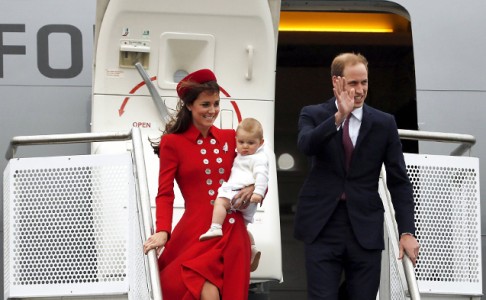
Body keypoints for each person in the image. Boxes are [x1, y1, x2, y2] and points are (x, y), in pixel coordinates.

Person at [294, 52, 420, 300]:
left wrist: (407, 231)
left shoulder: (384, 123)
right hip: (322, 225)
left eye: (364, 82)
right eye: (353, 83)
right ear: (336, 82)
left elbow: (399, 181)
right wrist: (339, 116)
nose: (360, 89)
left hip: (364, 227)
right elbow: (306, 145)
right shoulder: (313, 114)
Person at [143, 69, 255, 300]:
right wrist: (164, 230)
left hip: (232, 228)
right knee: (203, 287)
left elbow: (253, 169)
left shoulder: (229, 137)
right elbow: (165, 193)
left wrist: (253, 188)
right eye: (205, 104)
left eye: (216, 103)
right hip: (197, 231)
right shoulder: (172, 143)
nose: (212, 110)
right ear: (189, 105)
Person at [199, 117, 268, 272]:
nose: (245, 146)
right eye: (241, 142)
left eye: (250, 143)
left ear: (261, 143)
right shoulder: (248, 155)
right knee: (242, 228)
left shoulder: (258, 158)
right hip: (248, 203)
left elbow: (263, 175)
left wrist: (258, 192)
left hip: (238, 194)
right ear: (236, 140)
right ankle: (253, 248)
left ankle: (215, 226)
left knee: (220, 202)